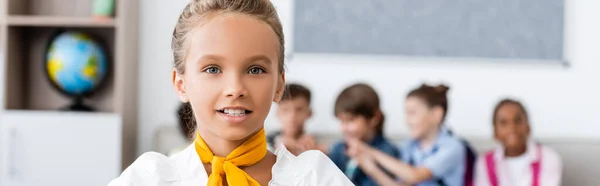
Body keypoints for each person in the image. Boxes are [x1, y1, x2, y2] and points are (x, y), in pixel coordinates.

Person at [107, 0, 353, 185]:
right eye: (212, 69)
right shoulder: (150, 179)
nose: (235, 89)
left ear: (279, 85)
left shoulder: (315, 178)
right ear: (181, 84)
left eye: (255, 69)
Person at [347, 84, 467, 186]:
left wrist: (370, 151)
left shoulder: (452, 147)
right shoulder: (409, 146)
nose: (407, 121)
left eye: (412, 113)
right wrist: (371, 168)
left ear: (436, 114)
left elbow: (415, 175)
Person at [474, 99, 562, 186]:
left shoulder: (548, 157)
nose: (512, 128)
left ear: (528, 126)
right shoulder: (484, 163)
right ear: (495, 132)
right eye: (503, 123)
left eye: (518, 120)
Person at [328, 83, 400, 186]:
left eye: (350, 120)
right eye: (341, 121)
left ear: (374, 118)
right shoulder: (339, 149)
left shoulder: (387, 152)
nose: (344, 128)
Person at [266, 83, 326, 155]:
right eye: (285, 110)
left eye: (299, 109)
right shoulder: (265, 141)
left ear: (309, 113)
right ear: (277, 113)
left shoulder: (318, 145)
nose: (292, 116)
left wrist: (319, 156)